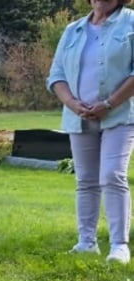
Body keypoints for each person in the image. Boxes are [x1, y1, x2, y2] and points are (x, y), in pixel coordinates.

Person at [47, 0, 134, 264]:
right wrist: (73, 104)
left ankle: (119, 245)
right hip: (79, 116)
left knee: (112, 175)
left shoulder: (131, 22)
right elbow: (56, 75)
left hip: (119, 114)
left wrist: (109, 104)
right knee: (85, 180)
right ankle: (86, 242)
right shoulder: (73, 29)